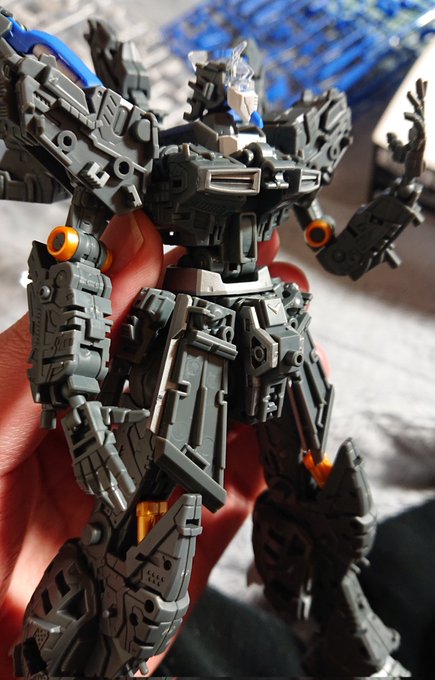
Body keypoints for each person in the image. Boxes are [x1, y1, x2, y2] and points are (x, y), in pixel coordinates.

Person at [0, 210, 310, 677]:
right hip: (183, 334)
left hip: (263, 314)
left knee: (312, 471)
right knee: (135, 524)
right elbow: (72, 280)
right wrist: (81, 411)